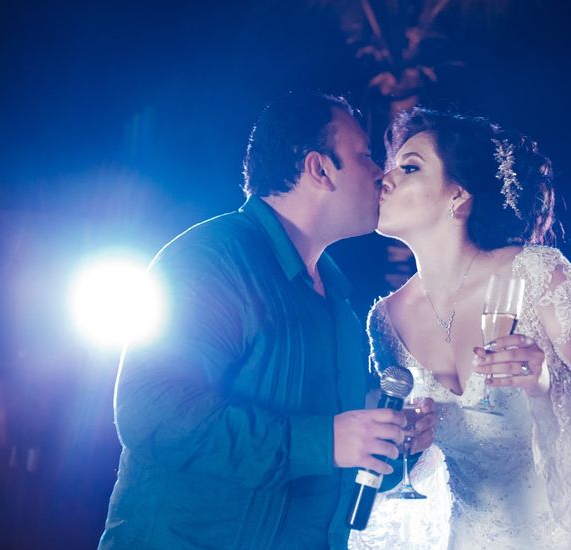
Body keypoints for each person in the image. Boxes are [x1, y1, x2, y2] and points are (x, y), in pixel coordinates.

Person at [98, 92, 436, 550]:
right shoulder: (209, 259)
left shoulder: (337, 300)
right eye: (366, 157)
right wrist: (326, 440)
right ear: (319, 169)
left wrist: (393, 443)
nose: (381, 172)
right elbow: (151, 411)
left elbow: (336, 464)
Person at [349, 108, 571, 549]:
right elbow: (427, 467)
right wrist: (412, 444)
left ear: (457, 196)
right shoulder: (385, 321)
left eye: (410, 167)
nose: (385, 179)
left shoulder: (538, 274)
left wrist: (546, 386)